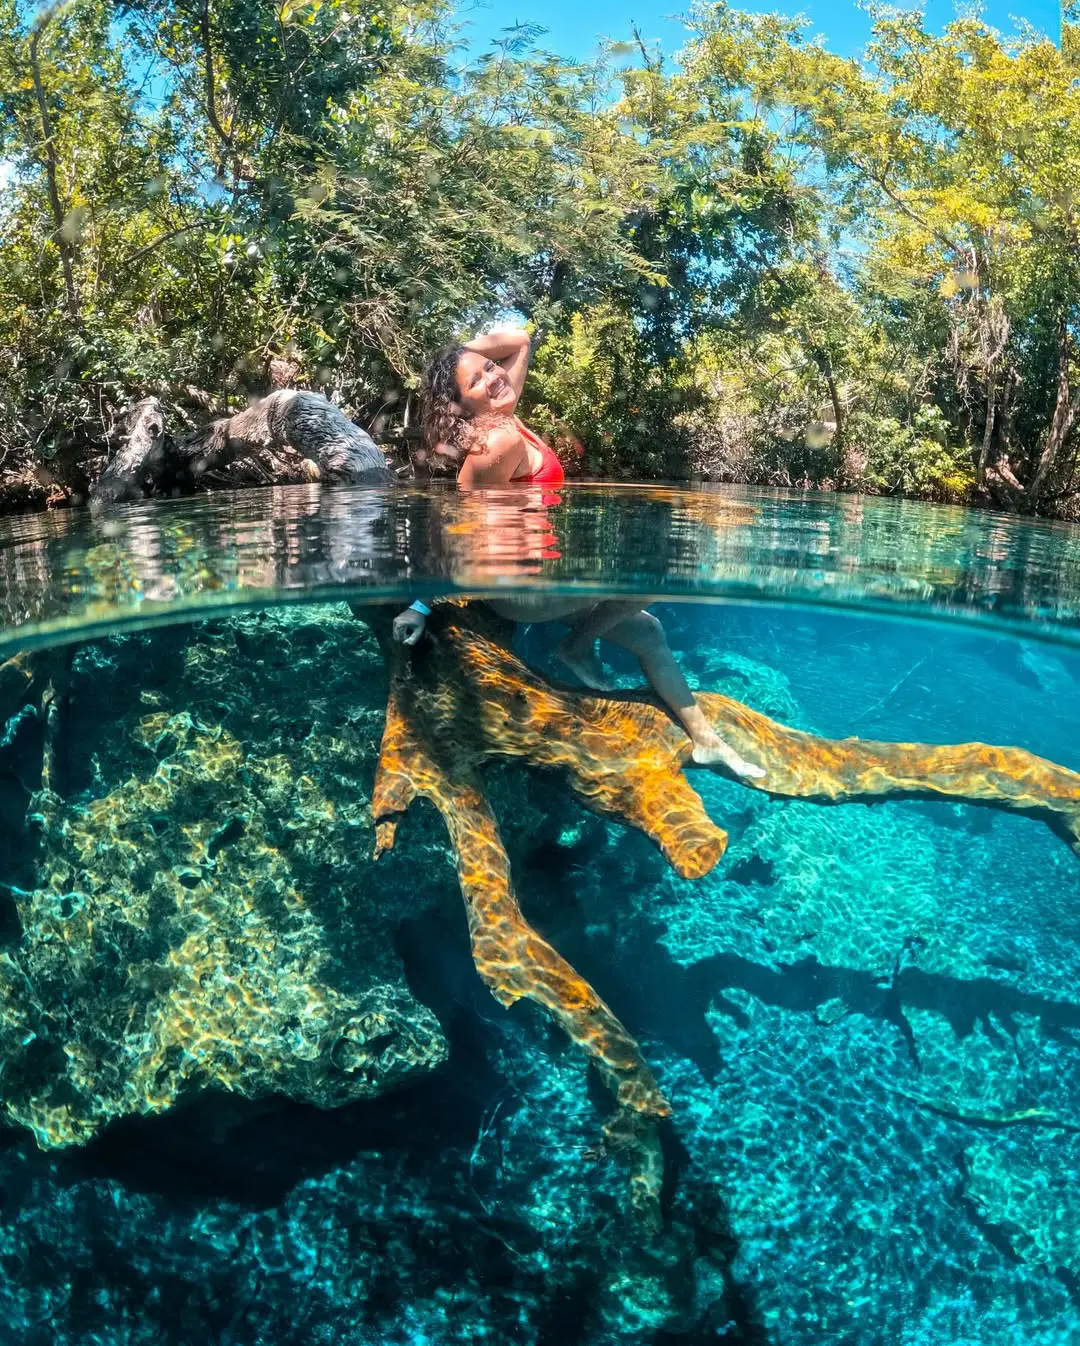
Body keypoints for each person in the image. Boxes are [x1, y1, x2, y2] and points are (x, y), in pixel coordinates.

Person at [394, 330, 765, 779]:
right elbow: (456, 524)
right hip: (519, 589)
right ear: (462, 406)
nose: (494, 376)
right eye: (477, 381)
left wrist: (465, 353)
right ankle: (576, 646)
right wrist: (421, 602)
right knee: (660, 571)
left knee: (650, 633)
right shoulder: (497, 443)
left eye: (492, 367)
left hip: (550, 577)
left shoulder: (508, 422)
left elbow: (520, 339)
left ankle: (707, 741)